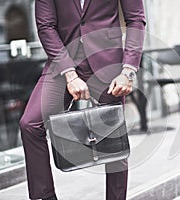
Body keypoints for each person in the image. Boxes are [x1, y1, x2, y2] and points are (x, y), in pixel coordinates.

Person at [19, 0, 146, 199]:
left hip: (106, 63)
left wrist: (128, 71)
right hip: (61, 64)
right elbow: (45, 26)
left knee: (114, 138)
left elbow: (136, 19)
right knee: (30, 124)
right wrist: (69, 73)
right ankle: (45, 196)